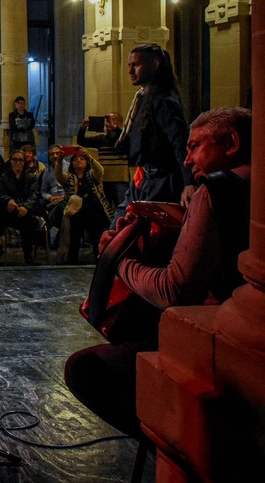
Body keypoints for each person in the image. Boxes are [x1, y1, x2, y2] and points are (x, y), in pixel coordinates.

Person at [64, 107, 252, 439]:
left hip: (222, 350)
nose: (187, 159)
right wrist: (182, 220)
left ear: (232, 142)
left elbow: (173, 290)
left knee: (85, 370)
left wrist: (119, 260)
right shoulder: (254, 182)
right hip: (235, 335)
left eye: (195, 146)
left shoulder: (215, 190)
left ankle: (170, 444)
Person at [113, 44, 194, 223]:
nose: (130, 71)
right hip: (144, 178)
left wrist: (189, 182)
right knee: (117, 228)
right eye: (129, 65)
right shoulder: (143, 98)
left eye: (136, 65)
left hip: (161, 181)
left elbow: (180, 142)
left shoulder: (163, 100)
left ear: (154, 65)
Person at [54, 148, 111, 264]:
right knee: (74, 236)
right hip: (77, 212)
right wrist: (59, 161)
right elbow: (58, 175)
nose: (79, 161)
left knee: (97, 236)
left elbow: (100, 170)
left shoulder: (92, 175)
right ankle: (72, 261)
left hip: (94, 210)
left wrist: (89, 157)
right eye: (76, 159)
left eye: (82, 159)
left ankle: (99, 260)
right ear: (72, 163)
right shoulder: (68, 177)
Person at [0, 150, 44, 263]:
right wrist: (9, 200)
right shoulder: (5, 177)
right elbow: (1, 193)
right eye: (15, 160)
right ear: (11, 161)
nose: (18, 162)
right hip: (11, 210)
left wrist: (25, 207)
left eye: (20, 160)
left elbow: (34, 195)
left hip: (26, 209)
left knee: (25, 220)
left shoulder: (31, 177)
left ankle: (27, 254)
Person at [40, 144, 67, 238]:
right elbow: (43, 191)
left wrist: (64, 197)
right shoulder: (47, 172)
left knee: (61, 207)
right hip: (53, 199)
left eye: (57, 153)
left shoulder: (69, 167)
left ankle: (54, 234)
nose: (55, 156)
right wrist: (50, 197)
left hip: (66, 197)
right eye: (52, 154)